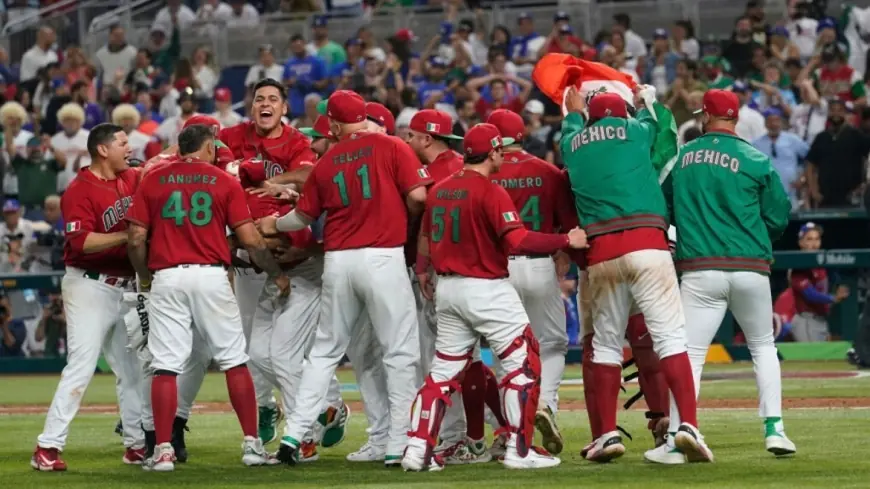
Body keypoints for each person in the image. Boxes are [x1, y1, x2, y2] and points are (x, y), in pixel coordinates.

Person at [258, 90, 429, 467]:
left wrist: (272, 222)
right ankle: (397, 445)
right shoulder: (392, 146)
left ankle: (294, 435)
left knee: (324, 353)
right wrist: (401, 214)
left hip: (337, 262)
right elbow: (418, 196)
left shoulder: (327, 160)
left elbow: (300, 219)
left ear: (334, 124)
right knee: (399, 352)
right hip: (383, 257)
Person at [403, 122, 587, 471]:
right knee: (525, 362)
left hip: (449, 289)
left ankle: (416, 448)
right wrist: (565, 241)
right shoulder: (490, 190)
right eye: (498, 150)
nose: (502, 155)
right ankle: (518, 449)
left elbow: (426, 238)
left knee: (442, 372)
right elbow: (517, 240)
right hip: (485, 287)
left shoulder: (440, 189)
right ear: (491, 153)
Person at [125, 124, 289, 472]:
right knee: (233, 359)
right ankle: (251, 444)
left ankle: (164, 449)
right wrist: (275, 273)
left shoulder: (153, 179)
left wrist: (144, 275)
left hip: (167, 276)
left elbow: (136, 238)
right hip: (211, 275)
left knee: (166, 365)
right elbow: (252, 240)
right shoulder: (224, 180)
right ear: (210, 147)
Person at [561, 89, 711, 463]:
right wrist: (650, 99)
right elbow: (660, 129)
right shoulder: (635, 130)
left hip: (601, 251)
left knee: (606, 345)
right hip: (648, 243)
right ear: (622, 114)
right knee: (672, 339)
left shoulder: (572, 143)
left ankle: (607, 434)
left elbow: (571, 126)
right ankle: (687, 425)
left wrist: (574, 112)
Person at [656, 89, 795, 464]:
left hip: (700, 268)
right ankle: (775, 430)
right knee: (763, 347)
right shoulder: (755, 158)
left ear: (705, 116)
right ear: (735, 118)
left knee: (689, 354)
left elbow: (662, 209)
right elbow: (780, 217)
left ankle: (675, 436)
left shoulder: (682, 158)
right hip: (750, 266)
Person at [32, 124, 146, 471]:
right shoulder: (79, 189)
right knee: (82, 365)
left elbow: (157, 171)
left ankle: (137, 444)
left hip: (125, 287)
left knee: (132, 370)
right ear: (102, 149)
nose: (130, 148)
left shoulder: (130, 178)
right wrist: (127, 236)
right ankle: (47, 448)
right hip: (89, 286)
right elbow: (81, 242)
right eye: (123, 143)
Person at [219, 79, 316, 442]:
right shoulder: (232, 134)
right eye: (259, 98)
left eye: (273, 99)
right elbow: (196, 143)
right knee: (252, 348)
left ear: (283, 108)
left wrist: (279, 183)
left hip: (286, 255)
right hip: (246, 261)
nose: (266, 104)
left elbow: (309, 175)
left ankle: (323, 405)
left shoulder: (295, 141)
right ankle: (265, 408)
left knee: (289, 351)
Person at [486, 109, 580, 455]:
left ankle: (507, 428)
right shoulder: (547, 171)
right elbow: (568, 223)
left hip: (496, 267)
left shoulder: (484, 173)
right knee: (553, 343)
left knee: (505, 349)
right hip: (540, 263)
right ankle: (546, 405)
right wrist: (565, 255)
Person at [790, 222, 850, 342]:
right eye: (809, 239)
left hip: (822, 320)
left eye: (817, 239)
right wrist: (833, 298)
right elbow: (810, 295)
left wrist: (840, 287)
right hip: (806, 321)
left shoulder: (821, 265)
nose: (814, 243)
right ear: (801, 243)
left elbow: (836, 280)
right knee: (810, 359)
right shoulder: (798, 266)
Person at [805, 98, 870, 208]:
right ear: (828, 112)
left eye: (839, 110)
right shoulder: (821, 137)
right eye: (833, 110)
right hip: (825, 197)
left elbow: (868, 158)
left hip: (851, 196)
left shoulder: (856, 135)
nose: (836, 113)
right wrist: (813, 190)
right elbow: (810, 165)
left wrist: (864, 185)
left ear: (845, 113)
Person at [752, 107, 810, 209]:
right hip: (766, 194)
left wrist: (802, 178)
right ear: (765, 124)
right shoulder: (756, 144)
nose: (774, 124)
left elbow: (811, 159)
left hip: (790, 192)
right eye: (770, 121)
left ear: (781, 122)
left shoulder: (793, 140)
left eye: (776, 120)